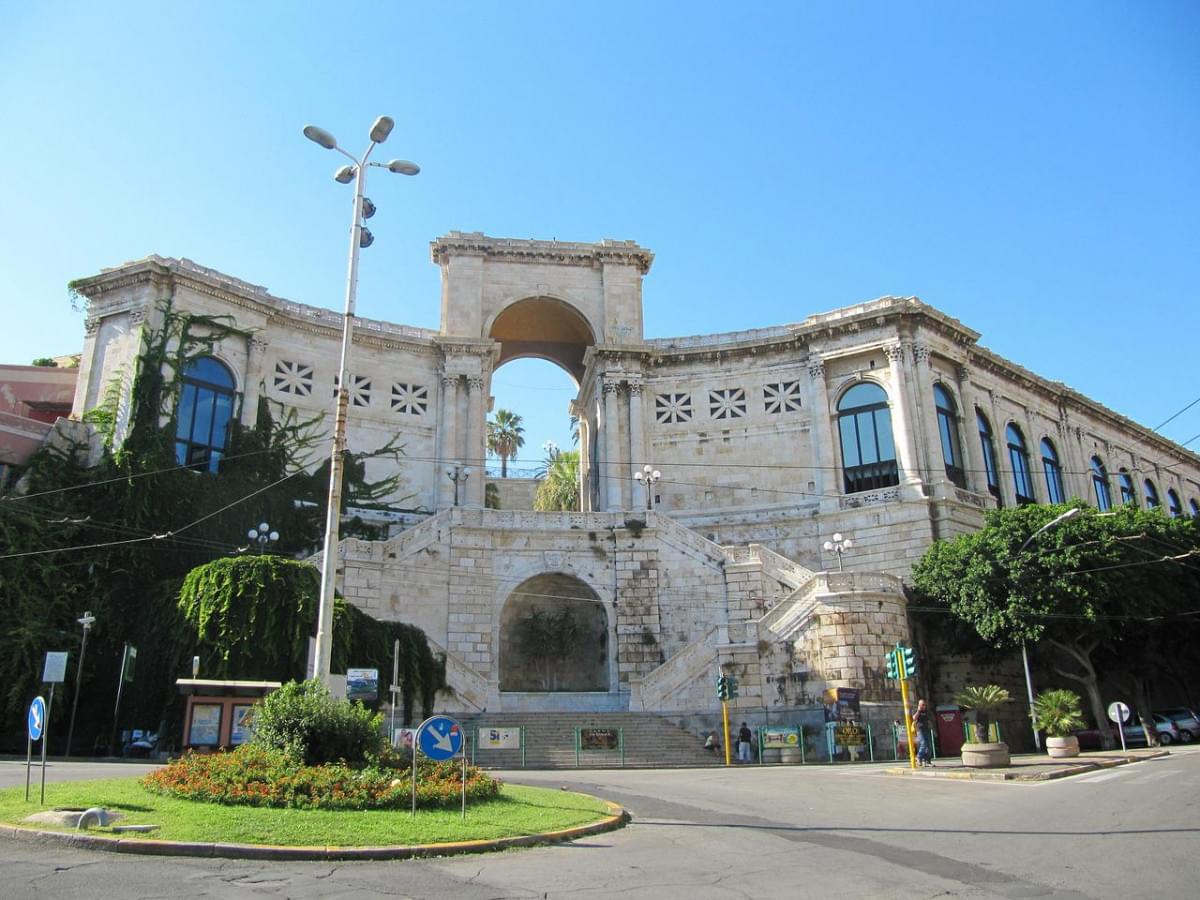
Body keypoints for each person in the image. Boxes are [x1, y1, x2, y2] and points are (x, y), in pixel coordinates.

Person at [914, 699, 934, 766]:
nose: (924, 706)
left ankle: (927, 761)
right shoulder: (916, 711)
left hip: (926, 729)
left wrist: (932, 729)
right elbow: (914, 718)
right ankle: (918, 757)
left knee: (929, 746)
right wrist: (919, 710)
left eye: (925, 704)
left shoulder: (926, 711)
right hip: (919, 729)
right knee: (923, 743)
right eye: (922, 705)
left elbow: (929, 720)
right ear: (919, 705)